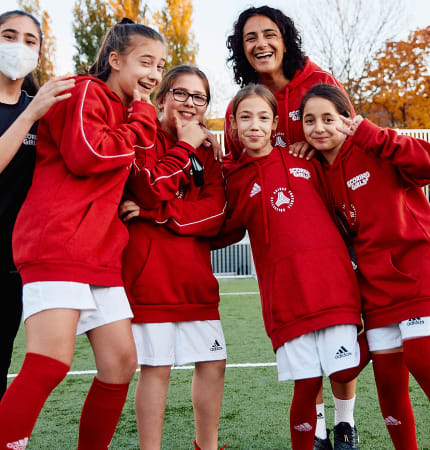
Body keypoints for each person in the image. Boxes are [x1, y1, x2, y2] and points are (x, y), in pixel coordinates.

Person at [0, 19, 166, 448]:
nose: (153, 74)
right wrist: (145, 117)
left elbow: (141, 178)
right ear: (115, 59)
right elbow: (88, 154)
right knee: (49, 363)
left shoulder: (129, 109)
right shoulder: (85, 90)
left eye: (160, 66)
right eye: (145, 61)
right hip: (58, 242)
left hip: (99, 251)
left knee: (121, 363)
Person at [299, 84, 430, 450]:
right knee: (387, 378)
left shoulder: (376, 144)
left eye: (328, 118)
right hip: (375, 289)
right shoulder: (318, 170)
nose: (319, 127)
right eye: (309, 120)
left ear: (347, 119)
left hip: (417, 275)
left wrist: (376, 135)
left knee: (423, 360)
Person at [226, 7, 358, 448]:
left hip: (323, 227)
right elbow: (234, 161)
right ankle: (317, 427)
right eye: (250, 37)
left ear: (285, 39)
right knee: (305, 364)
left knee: (342, 353)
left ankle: (345, 421)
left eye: (269, 34)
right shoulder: (243, 101)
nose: (260, 44)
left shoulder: (318, 81)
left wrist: (316, 142)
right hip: (279, 245)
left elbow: (344, 137)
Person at [119, 64, 227, 450]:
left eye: (199, 97)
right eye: (180, 93)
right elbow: (147, 188)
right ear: (162, 97)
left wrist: (158, 214)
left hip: (195, 276)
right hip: (150, 276)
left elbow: (215, 215)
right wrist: (183, 147)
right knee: (156, 370)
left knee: (214, 364)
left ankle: (207, 446)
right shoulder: (142, 139)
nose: (189, 103)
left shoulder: (210, 153)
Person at [0, 9, 75, 401]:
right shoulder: (34, 110)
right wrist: (29, 114)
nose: (18, 47)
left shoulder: (44, 109)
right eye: (9, 36)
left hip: (15, 261)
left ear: (40, 54)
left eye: (30, 40)